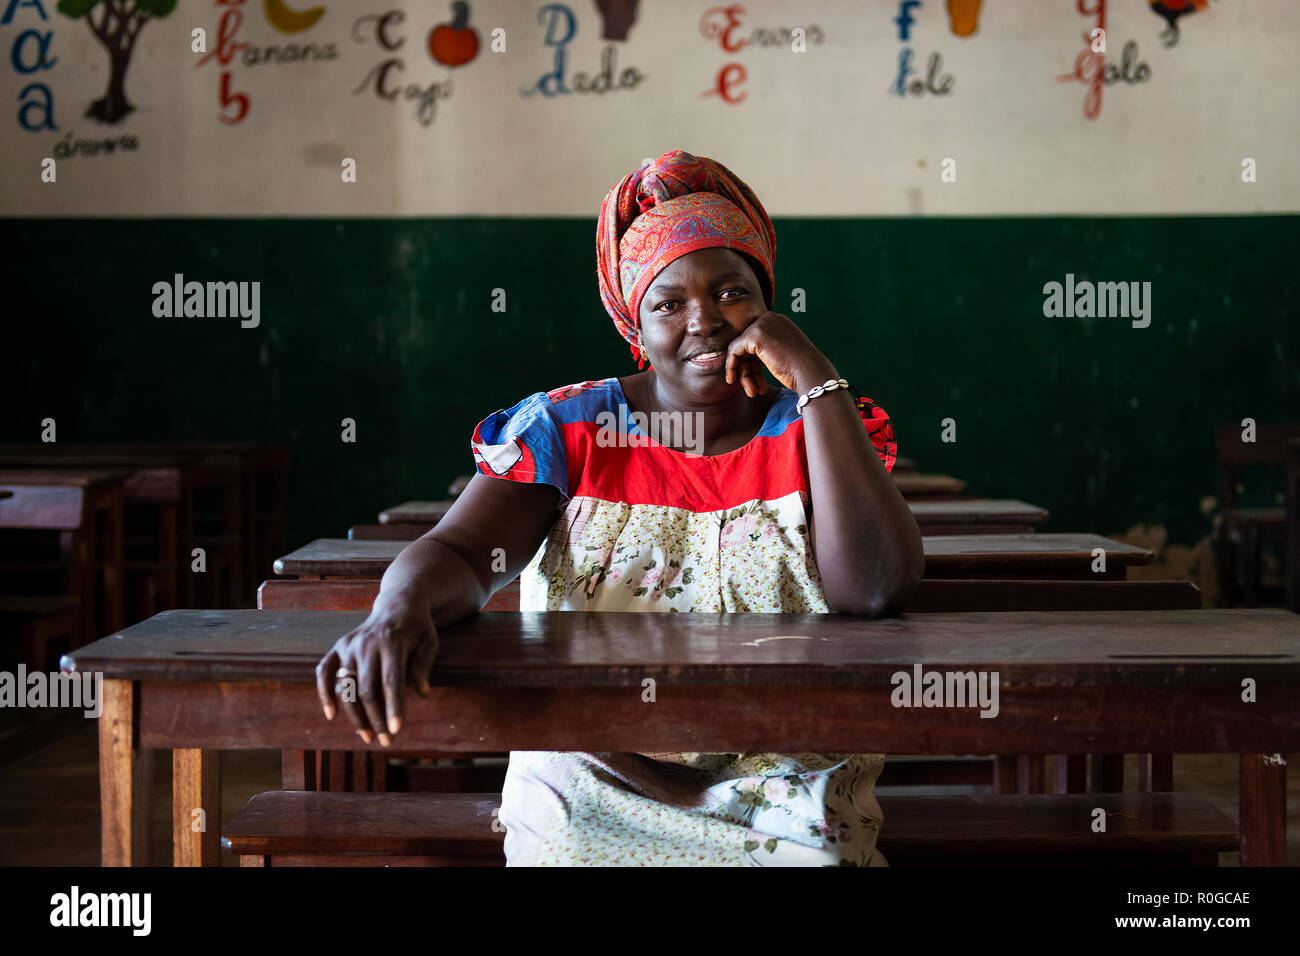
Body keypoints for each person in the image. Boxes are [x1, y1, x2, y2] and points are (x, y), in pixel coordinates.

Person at [315, 149, 925, 865]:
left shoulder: (813, 430)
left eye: (732, 292)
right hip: (595, 757)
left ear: (767, 306)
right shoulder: (569, 430)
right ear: (636, 324)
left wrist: (818, 379)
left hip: (784, 764)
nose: (705, 322)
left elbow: (876, 589)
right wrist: (397, 610)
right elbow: (462, 553)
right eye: (669, 303)